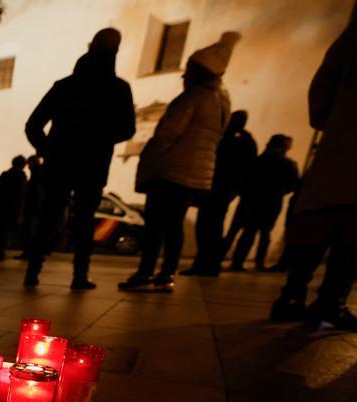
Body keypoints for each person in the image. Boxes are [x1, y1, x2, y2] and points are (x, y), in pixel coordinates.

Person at [270, 4, 357, 332]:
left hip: (341, 144)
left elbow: (320, 94)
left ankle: (291, 297)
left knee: (320, 217)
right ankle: (331, 302)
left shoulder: (354, 41)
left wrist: (335, 122)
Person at [120, 32, 239, 292]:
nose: (184, 76)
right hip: (194, 175)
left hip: (170, 170)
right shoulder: (222, 101)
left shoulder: (193, 97)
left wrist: (148, 159)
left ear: (200, 72)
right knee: (175, 226)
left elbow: (167, 134)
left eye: (188, 71)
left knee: (155, 226)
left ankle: (145, 273)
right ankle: (166, 274)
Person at [24, 29, 136, 290]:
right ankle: (79, 275)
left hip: (62, 162)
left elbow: (33, 125)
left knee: (50, 216)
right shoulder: (118, 89)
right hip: (91, 164)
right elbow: (127, 129)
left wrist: (49, 149)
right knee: (83, 218)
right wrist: (101, 140)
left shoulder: (65, 86)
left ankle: (33, 271)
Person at [183, 110, 257, 275]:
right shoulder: (240, 140)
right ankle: (206, 264)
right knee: (209, 227)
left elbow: (244, 169)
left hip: (218, 190)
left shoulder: (234, 140)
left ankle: (206, 264)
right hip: (218, 190)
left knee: (209, 228)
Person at [224, 134, 299, 271]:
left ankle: (236, 261)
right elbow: (292, 184)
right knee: (264, 233)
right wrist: (280, 191)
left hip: (252, 199)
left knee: (246, 232)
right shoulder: (288, 164)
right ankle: (259, 263)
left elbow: (245, 178)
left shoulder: (259, 160)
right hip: (271, 201)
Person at [0, 156, 27, 261]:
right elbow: (20, 196)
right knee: (5, 232)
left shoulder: (5, 174)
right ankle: (0, 252)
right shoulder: (21, 176)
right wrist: (19, 213)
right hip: (10, 209)